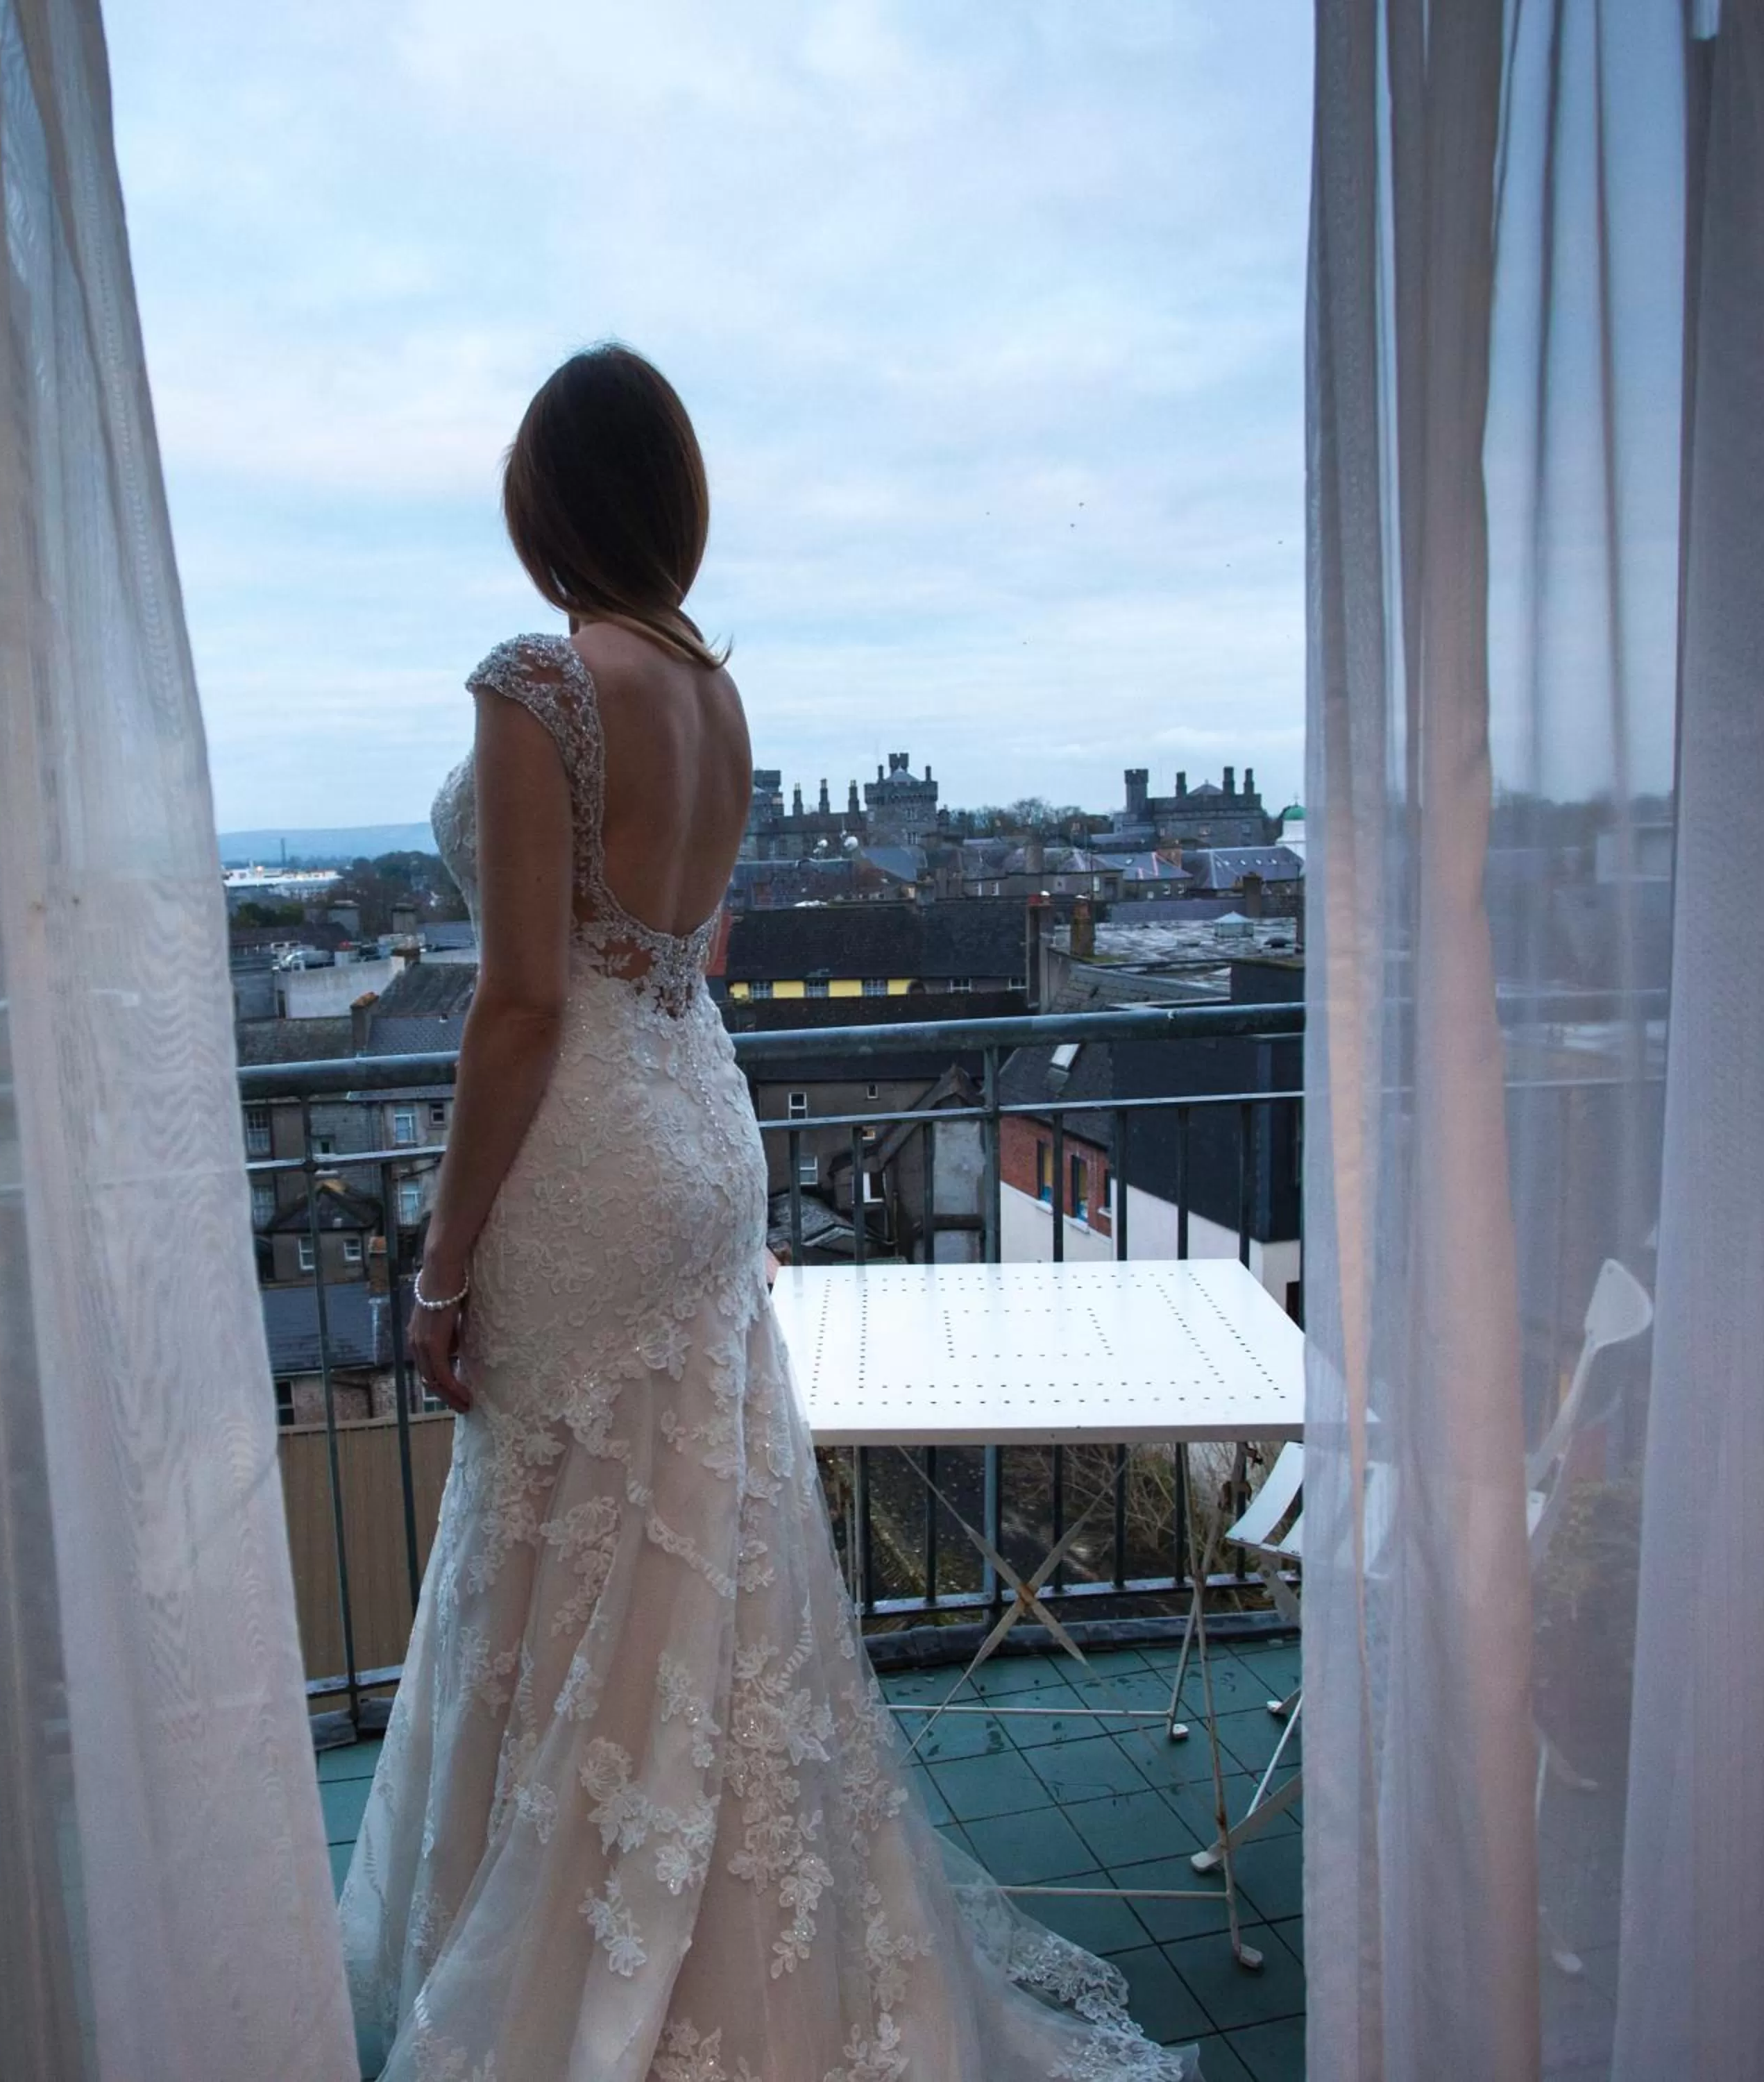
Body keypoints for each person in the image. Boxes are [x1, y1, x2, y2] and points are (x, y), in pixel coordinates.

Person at [338, 343, 1201, 2082]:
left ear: (545, 500)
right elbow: (682, 956)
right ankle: (751, 1951)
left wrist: (437, 1269)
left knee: (567, 1537)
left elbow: (517, 1005)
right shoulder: (713, 695)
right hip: (699, 1134)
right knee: (703, 1550)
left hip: (588, 1151)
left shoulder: (537, 679)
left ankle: (584, 1964)